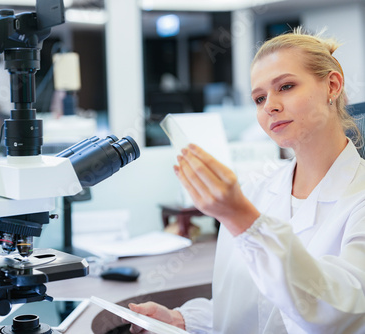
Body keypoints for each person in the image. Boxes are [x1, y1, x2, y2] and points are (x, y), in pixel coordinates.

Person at [128, 27, 365, 333]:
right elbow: (240, 305)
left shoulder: (358, 197)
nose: (270, 106)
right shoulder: (256, 190)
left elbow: (337, 308)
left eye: (287, 86)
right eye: (259, 98)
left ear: (332, 85)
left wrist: (240, 217)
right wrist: (184, 320)